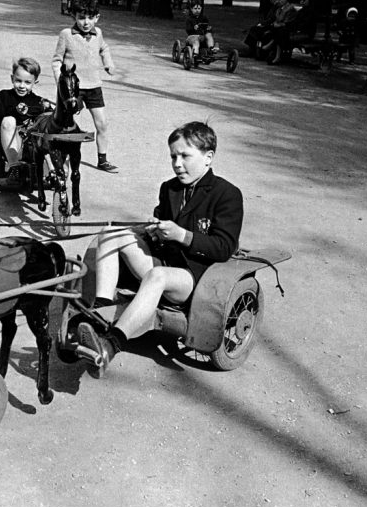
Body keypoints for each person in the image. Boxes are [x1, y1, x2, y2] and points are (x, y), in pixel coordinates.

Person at [76, 121, 244, 375]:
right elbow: (160, 223)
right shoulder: (170, 188)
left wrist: (182, 235)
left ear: (208, 157)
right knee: (110, 233)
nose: (177, 163)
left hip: (194, 278)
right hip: (164, 261)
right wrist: (154, 231)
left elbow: (224, 247)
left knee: (157, 276)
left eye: (185, 156)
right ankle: (100, 312)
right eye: (173, 156)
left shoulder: (227, 194)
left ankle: (111, 345)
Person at [52, 0, 118, 173]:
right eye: (81, 17)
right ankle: (62, 161)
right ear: (73, 16)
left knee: (102, 124)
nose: (86, 22)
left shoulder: (98, 33)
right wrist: (61, 82)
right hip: (75, 89)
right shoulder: (66, 34)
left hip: (94, 86)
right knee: (67, 125)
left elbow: (104, 48)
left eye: (90, 17)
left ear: (97, 17)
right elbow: (57, 60)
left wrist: (108, 63)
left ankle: (102, 159)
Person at [0, 57, 54, 171]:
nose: (22, 86)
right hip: (11, 141)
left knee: (45, 127)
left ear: (35, 82)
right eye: (18, 81)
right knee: (9, 120)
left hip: (31, 144)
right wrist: (12, 112)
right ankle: (14, 168)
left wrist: (49, 110)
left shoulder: (38, 102)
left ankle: (53, 171)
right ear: (12, 78)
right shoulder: (5, 96)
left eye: (28, 82)